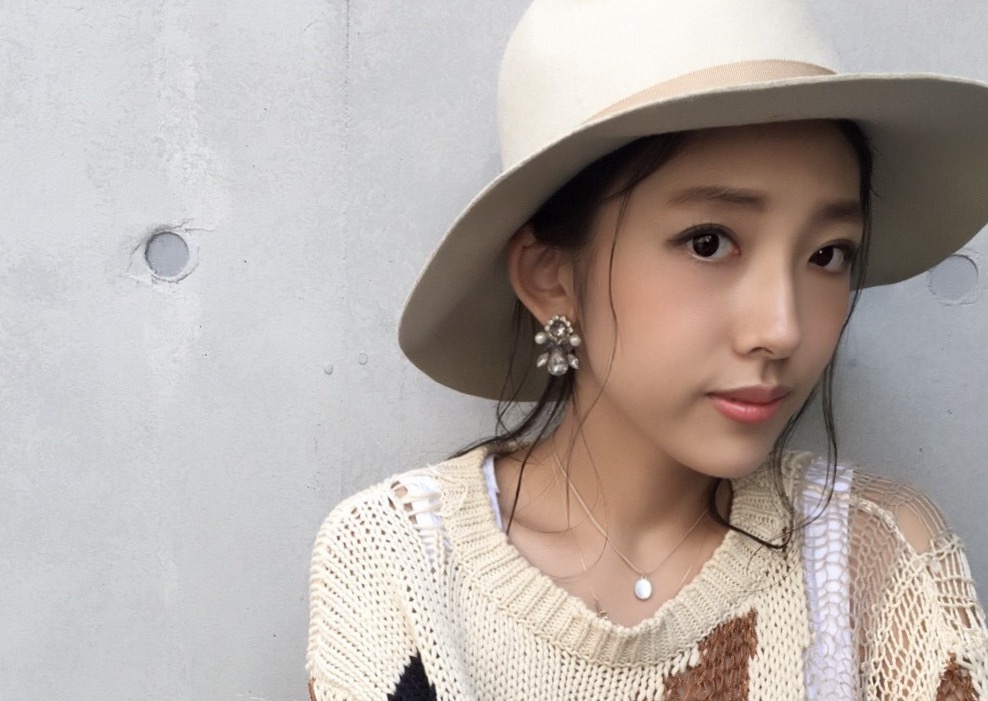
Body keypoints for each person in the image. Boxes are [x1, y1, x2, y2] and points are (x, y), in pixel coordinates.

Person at [307, 1, 988, 698]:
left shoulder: (875, 559)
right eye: (709, 242)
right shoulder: (401, 559)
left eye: (827, 253)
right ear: (551, 277)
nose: (783, 328)